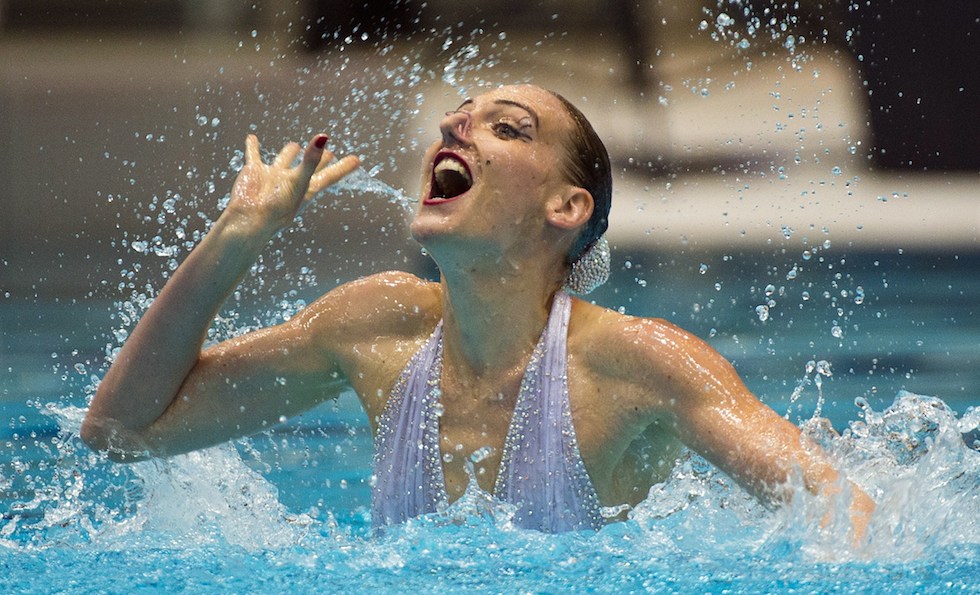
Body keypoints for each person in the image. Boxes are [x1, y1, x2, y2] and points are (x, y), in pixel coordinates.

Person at [81, 84, 874, 538]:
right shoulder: (375, 326)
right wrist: (235, 237)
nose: (455, 125)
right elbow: (120, 431)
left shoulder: (637, 363)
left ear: (568, 206)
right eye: (461, 116)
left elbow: (846, 512)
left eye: (507, 128)